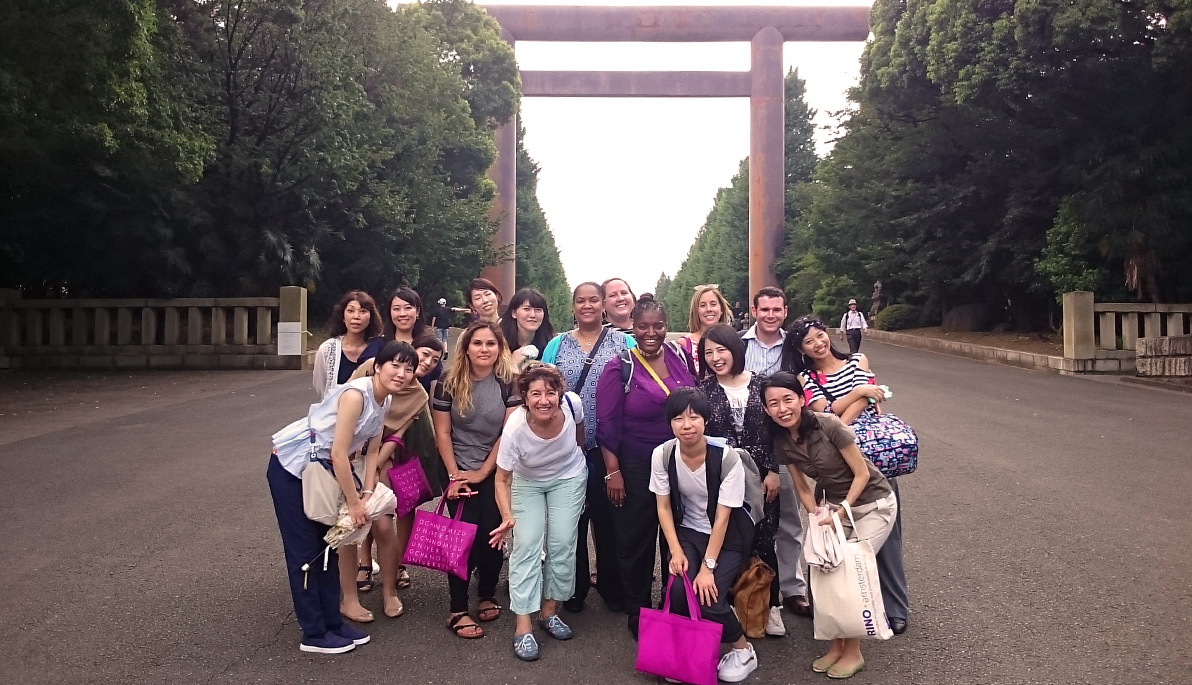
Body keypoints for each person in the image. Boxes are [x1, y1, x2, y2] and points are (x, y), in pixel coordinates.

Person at [267, 341, 416, 654]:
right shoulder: (355, 395)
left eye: (409, 368)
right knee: (306, 552)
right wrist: (355, 503)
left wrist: (368, 490)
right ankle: (314, 633)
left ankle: (332, 622)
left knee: (328, 548)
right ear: (378, 366)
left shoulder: (384, 399)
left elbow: (373, 449)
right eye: (395, 365)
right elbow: (338, 453)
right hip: (293, 469)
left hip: (322, 472)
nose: (401, 373)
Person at [760, 372, 898, 680]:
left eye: (788, 399)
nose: (783, 408)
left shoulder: (829, 425)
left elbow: (862, 474)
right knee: (828, 569)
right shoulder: (781, 440)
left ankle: (854, 652)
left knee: (849, 571)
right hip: (834, 508)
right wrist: (817, 516)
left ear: (801, 399)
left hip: (873, 505)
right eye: (773, 403)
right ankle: (837, 647)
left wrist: (838, 514)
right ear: (766, 409)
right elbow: (803, 487)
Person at [785, 316, 909, 634]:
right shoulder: (806, 376)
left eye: (820, 335)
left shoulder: (857, 359)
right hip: (835, 467)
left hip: (872, 458)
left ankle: (895, 608)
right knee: (840, 539)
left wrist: (857, 399)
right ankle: (843, 608)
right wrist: (861, 394)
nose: (818, 343)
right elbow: (826, 412)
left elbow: (864, 401)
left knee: (888, 536)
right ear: (801, 349)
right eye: (809, 341)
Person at [595, 294, 697, 638]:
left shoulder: (681, 357)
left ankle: (673, 608)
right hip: (635, 465)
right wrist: (613, 471)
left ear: (666, 326)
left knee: (678, 540)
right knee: (634, 541)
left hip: (679, 462)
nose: (651, 333)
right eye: (643, 326)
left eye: (658, 326)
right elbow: (606, 424)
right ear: (632, 328)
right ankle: (637, 611)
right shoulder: (619, 366)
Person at [652, 387, 759, 682]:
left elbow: (724, 517)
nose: (686, 425)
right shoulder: (663, 454)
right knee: (676, 590)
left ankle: (743, 649)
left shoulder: (726, 458)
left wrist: (708, 568)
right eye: (678, 419)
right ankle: (690, 650)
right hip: (688, 532)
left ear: (706, 421)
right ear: (670, 423)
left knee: (708, 595)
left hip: (726, 538)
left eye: (694, 417)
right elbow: (663, 507)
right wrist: (675, 551)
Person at [541, 282, 635, 613]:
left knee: (610, 519)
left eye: (594, 299)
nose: (587, 306)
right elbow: (543, 389)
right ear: (573, 306)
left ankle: (612, 585)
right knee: (571, 522)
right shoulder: (556, 345)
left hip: (611, 448)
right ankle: (573, 588)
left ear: (604, 305)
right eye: (580, 301)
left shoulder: (624, 343)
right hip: (567, 449)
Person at [489, 364, 588, 661]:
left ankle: (549, 612)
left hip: (568, 478)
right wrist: (507, 517)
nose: (544, 400)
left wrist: (578, 461)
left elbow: (580, 436)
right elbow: (502, 478)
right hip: (526, 482)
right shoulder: (515, 429)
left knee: (562, 544)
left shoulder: (572, 405)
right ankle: (523, 626)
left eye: (550, 392)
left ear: (560, 393)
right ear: (524, 397)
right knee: (527, 546)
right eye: (535, 394)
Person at [432, 321, 520, 639]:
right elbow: (442, 432)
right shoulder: (447, 382)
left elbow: (507, 434)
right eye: (478, 343)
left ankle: (487, 593)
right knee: (461, 536)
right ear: (466, 348)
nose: (484, 349)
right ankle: (457, 609)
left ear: (500, 348)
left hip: (495, 469)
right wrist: (455, 477)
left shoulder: (509, 383)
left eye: (491, 344)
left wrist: (484, 472)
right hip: (456, 465)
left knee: (492, 534)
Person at [698, 324, 784, 637]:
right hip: (724, 478)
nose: (716, 357)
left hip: (762, 478)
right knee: (733, 541)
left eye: (721, 350)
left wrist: (774, 470)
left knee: (764, 539)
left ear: (735, 349)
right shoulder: (703, 390)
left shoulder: (762, 384)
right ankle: (735, 604)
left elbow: (777, 429)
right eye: (708, 352)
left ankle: (772, 606)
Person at [740, 286, 809, 618]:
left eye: (776, 310)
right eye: (764, 309)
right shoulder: (738, 346)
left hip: (786, 441)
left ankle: (793, 588)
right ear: (754, 311)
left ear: (785, 311)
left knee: (790, 518)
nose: (770, 315)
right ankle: (751, 587)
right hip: (748, 444)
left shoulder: (795, 349)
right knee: (749, 517)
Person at [313, 291, 383, 400]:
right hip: (336, 412)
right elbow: (321, 386)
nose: (356, 316)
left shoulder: (379, 348)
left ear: (371, 317)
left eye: (363, 311)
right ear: (343, 316)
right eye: (350, 311)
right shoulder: (327, 349)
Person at [676, 284, 733, 376]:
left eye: (713, 304)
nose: (709, 309)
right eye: (703, 305)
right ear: (696, 311)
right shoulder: (684, 344)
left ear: (721, 309)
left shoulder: (732, 340)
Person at [500, 288, 557, 368]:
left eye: (538, 310)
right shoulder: (499, 343)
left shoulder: (552, 346)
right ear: (514, 313)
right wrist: (513, 364)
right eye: (526, 309)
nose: (533, 315)